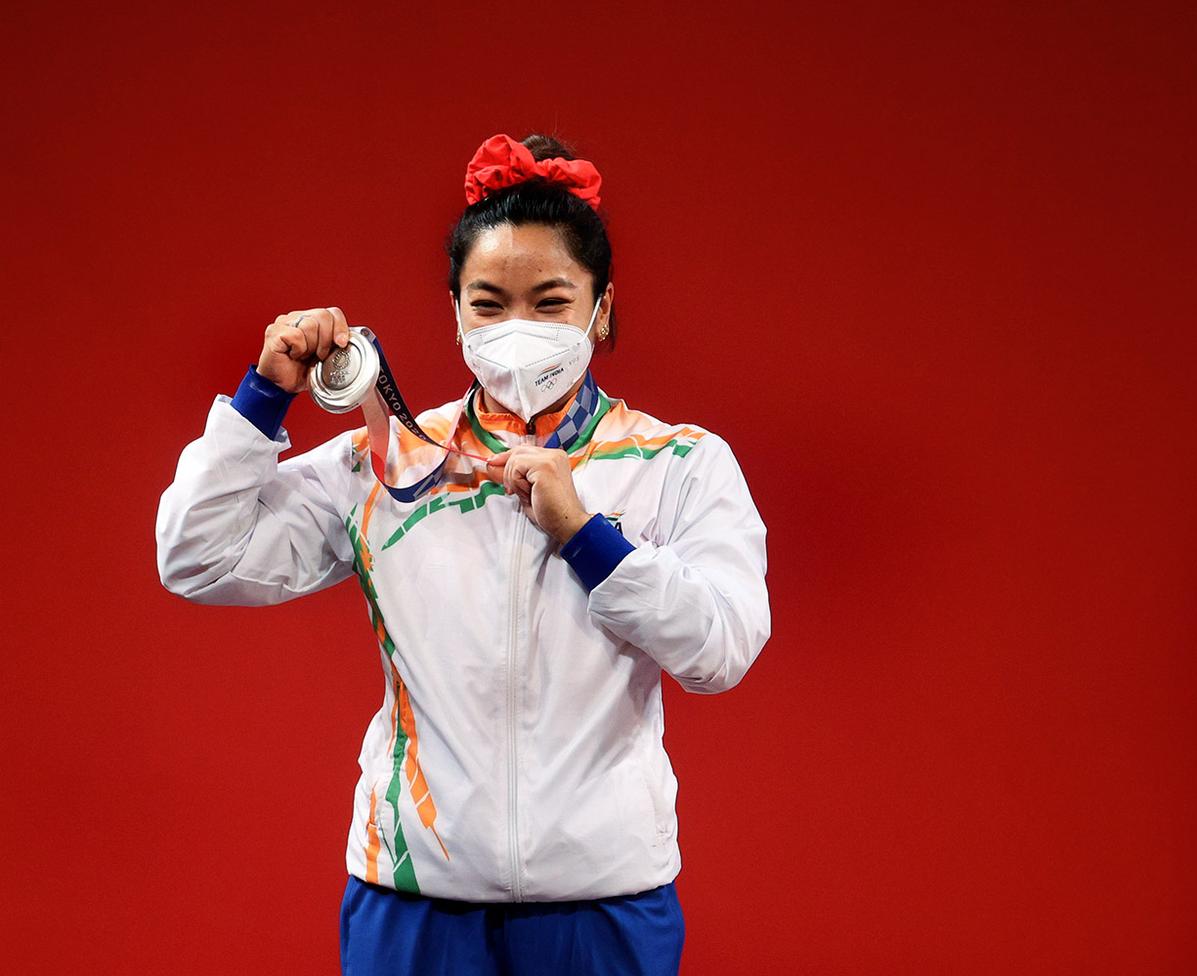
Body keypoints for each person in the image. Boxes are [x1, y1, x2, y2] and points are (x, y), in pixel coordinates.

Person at [155, 132, 771, 976]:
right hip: (413, 902)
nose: (518, 329)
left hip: (604, 903)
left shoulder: (679, 462)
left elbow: (722, 649)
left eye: (551, 302)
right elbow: (197, 557)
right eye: (489, 303)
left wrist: (587, 538)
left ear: (601, 305)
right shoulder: (390, 458)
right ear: (454, 311)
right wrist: (263, 397)